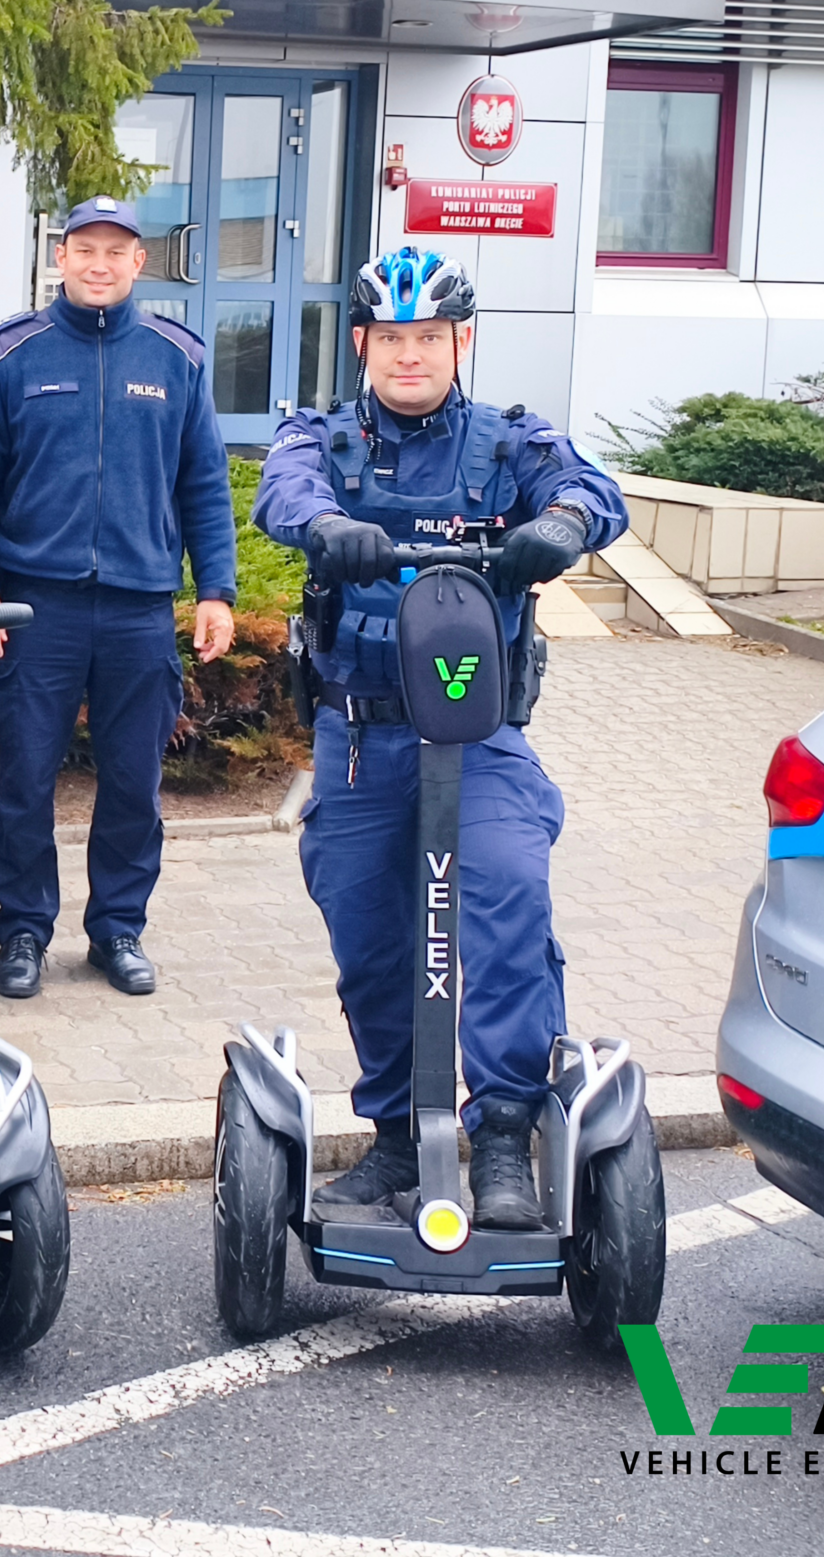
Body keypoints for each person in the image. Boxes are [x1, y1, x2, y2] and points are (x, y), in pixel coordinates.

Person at [252, 244, 627, 1229]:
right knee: (373, 941)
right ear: (363, 343)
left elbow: (592, 490)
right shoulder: (321, 439)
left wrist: (565, 524)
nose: (408, 355)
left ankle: (501, 1133)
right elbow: (278, 492)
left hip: (478, 738)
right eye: (390, 338)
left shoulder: (508, 441)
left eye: (428, 337)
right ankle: (392, 1138)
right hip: (363, 737)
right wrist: (324, 529)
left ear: (460, 341)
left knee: (507, 902)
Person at [0, 196, 238, 1001]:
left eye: (117, 251)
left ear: (139, 263)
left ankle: (117, 928)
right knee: (26, 781)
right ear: (62, 256)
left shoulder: (177, 358)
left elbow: (204, 484)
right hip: (36, 610)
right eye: (86, 249)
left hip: (140, 609)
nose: (101, 264)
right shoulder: (13, 355)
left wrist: (215, 588)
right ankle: (23, 933)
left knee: (131, 783)